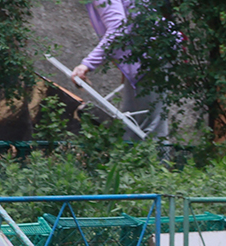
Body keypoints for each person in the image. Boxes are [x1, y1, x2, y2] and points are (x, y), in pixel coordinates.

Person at [70, 0, 168, 141]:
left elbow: (119, 28)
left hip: (150, 57)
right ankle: (137, 162)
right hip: (144, 58)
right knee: (132, 124)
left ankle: (158, 162)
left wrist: (86, 65)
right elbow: (131, 21)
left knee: (150, 129)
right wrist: (126, 67)